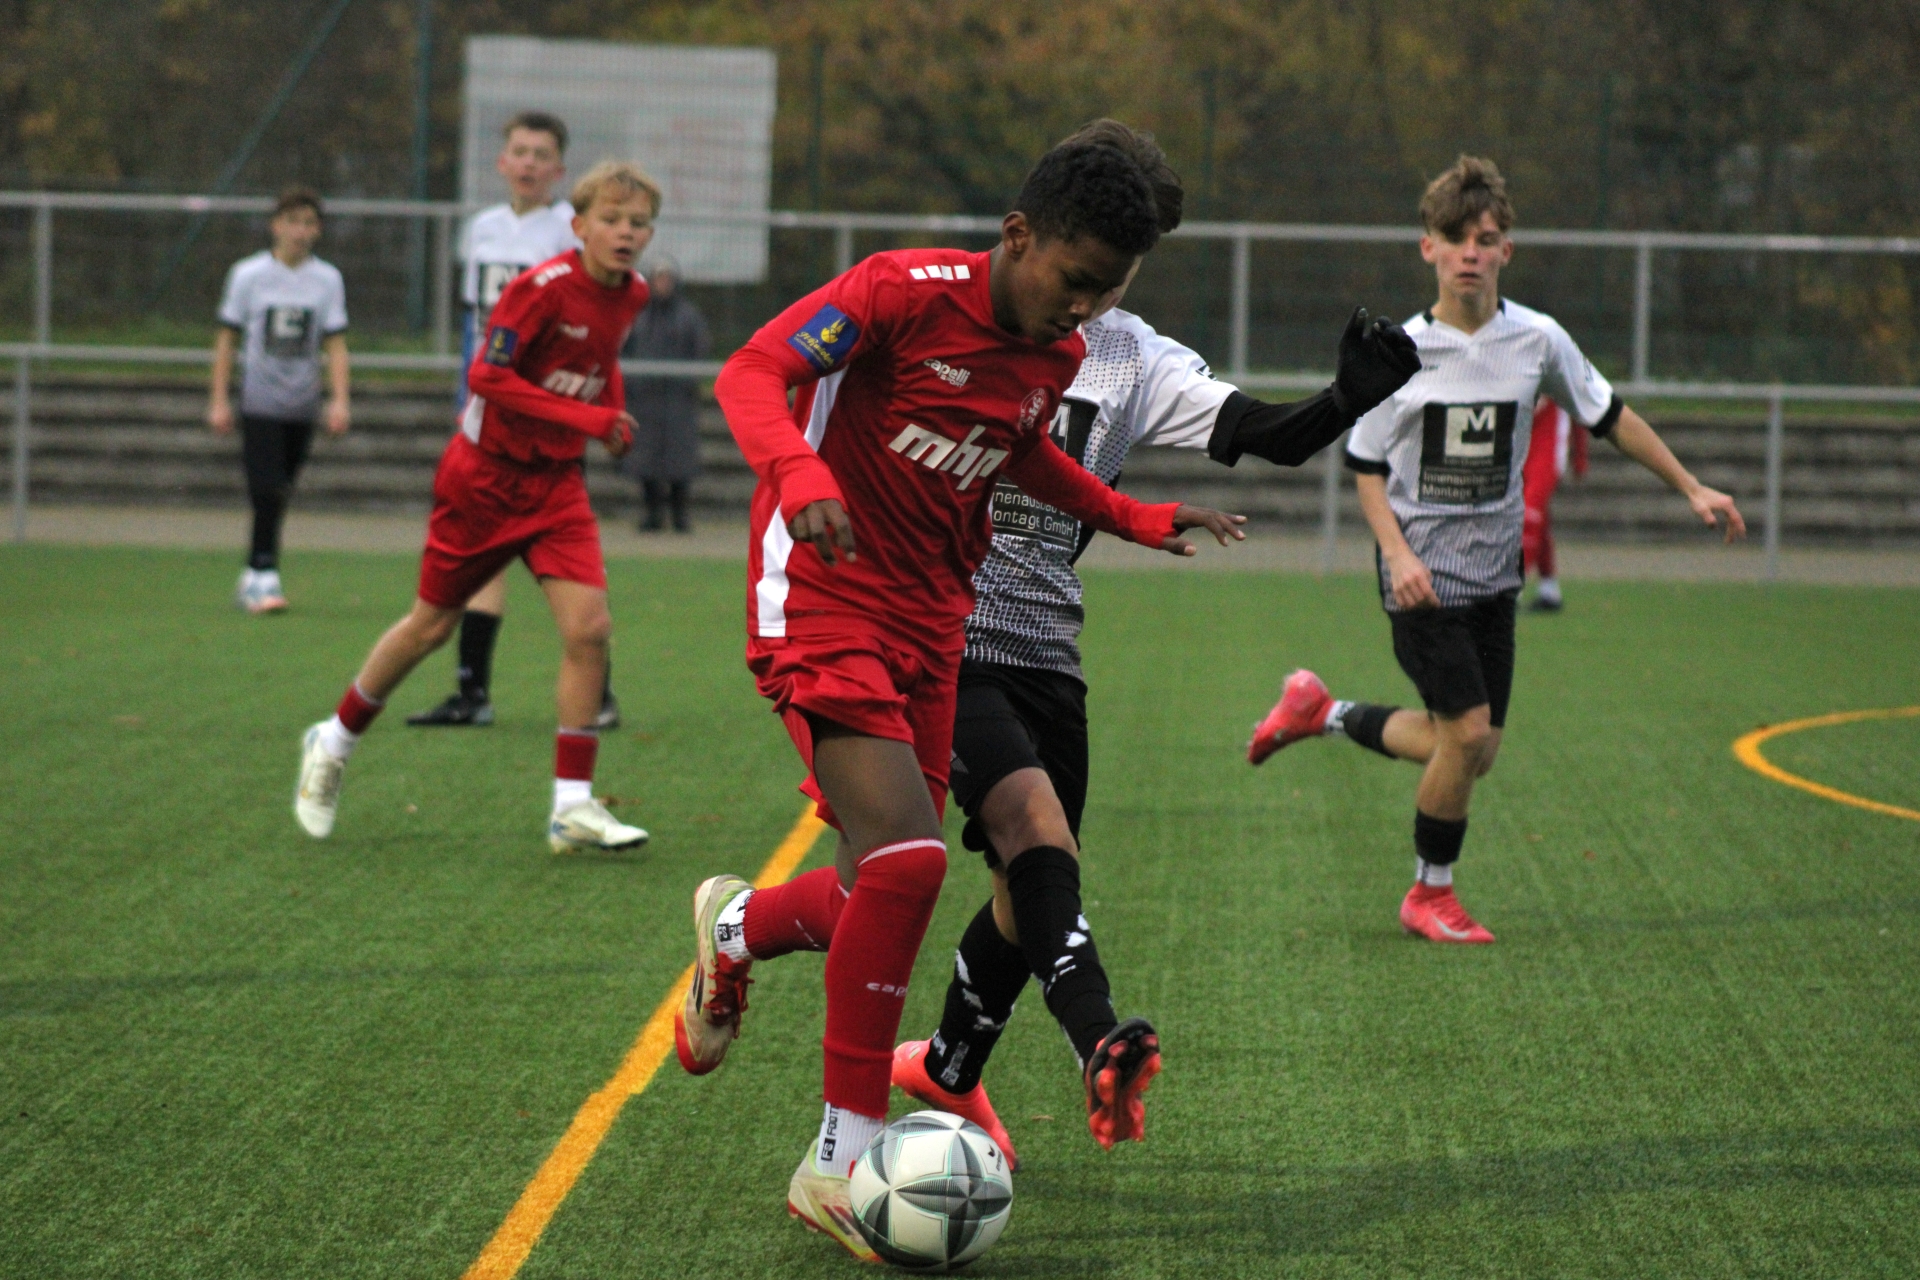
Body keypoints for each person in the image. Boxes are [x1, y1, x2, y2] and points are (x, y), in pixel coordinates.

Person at [671, 135, 1246, 1262]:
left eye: (1106, 292)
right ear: (1018, 236)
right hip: (823, 594)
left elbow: (1019, 452)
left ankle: (737, 927)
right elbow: (750, 372)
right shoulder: (898, 291)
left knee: (874, 886)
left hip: (935, 620)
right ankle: (837, 1160)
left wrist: (1132, 516)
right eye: (1074, 279)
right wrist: (799, 471)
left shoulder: (1054, 351)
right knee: (910, 860)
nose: (1083, 308)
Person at [887, 121, 1421, 1169]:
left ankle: (943, 1069)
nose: (1098, 291)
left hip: (1049, 647)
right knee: (1033, 834)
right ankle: (1099, 1037)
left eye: (1122, 269)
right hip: (942, 628)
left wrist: (1344, 401)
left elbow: (1262, 434)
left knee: (1030, 883)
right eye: (1089, 263)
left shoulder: (1132, 355)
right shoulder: (958, 306)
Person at [1247, 156, 1745, 944]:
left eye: (1485, 239)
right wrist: (1397, 556)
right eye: (1455, 239)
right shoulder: (1400, 353)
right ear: (1428, 249)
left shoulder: (1538, 340)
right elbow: (1365, 466)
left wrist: (1690, 485)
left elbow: (1610, 415)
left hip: (1495, 578)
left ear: (1507, 249)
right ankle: (1429, 894)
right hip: (1420, 578)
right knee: (1467, 733)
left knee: (1470, 751)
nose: (1470, 253)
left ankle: (1320, 712)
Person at [293, 161, 662, 855]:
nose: (625, 233)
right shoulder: (538, 290)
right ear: (579, 226)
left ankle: (571, 805)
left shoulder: (633, 292)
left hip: (556, 486)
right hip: (484, 480)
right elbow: (485, 375)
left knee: (589, 630)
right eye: (611, 220)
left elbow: (602, 356)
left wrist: (610, 411)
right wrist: (586, 418)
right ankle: (333, 740)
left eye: (638, 223)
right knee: (430, 628)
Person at [410, 110, 620, 731]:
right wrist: (467, 395)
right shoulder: (481, 230)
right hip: (488, 419)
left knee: (569, 568)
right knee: (483, 557)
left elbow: (592, 333)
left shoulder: (568, 235)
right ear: (502, 162)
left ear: (559, 169)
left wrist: (588, 412)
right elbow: (477, 329)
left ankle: (598, 694)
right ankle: (472, 691)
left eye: (541, 154)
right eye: (520, 152)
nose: (528, 163)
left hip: (548, 426)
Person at [208, 186, 349, 614]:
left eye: (308, 223)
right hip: (260, 401)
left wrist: (339, 399)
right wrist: (219, 399)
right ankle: (264, 574)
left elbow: (335, 344)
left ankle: (253, 572)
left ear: (317, 230)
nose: (299, 232)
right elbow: (227, 339)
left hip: (302, 403)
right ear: (275, 226)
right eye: (292, 222)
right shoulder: (248, 275)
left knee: (279, 490)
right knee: (266, 487)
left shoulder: (327, 280)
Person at [619, 254, 710, 532]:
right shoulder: (638, 316)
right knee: (645, 460)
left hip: (678, 402)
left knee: (680, 461)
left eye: (667, 278)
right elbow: (624, 350)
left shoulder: (689, 317)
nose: (662, 284)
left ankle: (680, 515)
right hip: (645, 401)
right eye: (658, 278)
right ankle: (653, 515)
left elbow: (700, 349)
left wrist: (689, 384)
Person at [1522, 394, 1587, 611]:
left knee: (1529, 514)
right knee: (1538, 520)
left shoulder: (1555, 370)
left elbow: (1577, 401)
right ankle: (1549, 590)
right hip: (1521, 449)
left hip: (1549, 448)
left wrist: (1580, 455)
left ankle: (1511, 588)